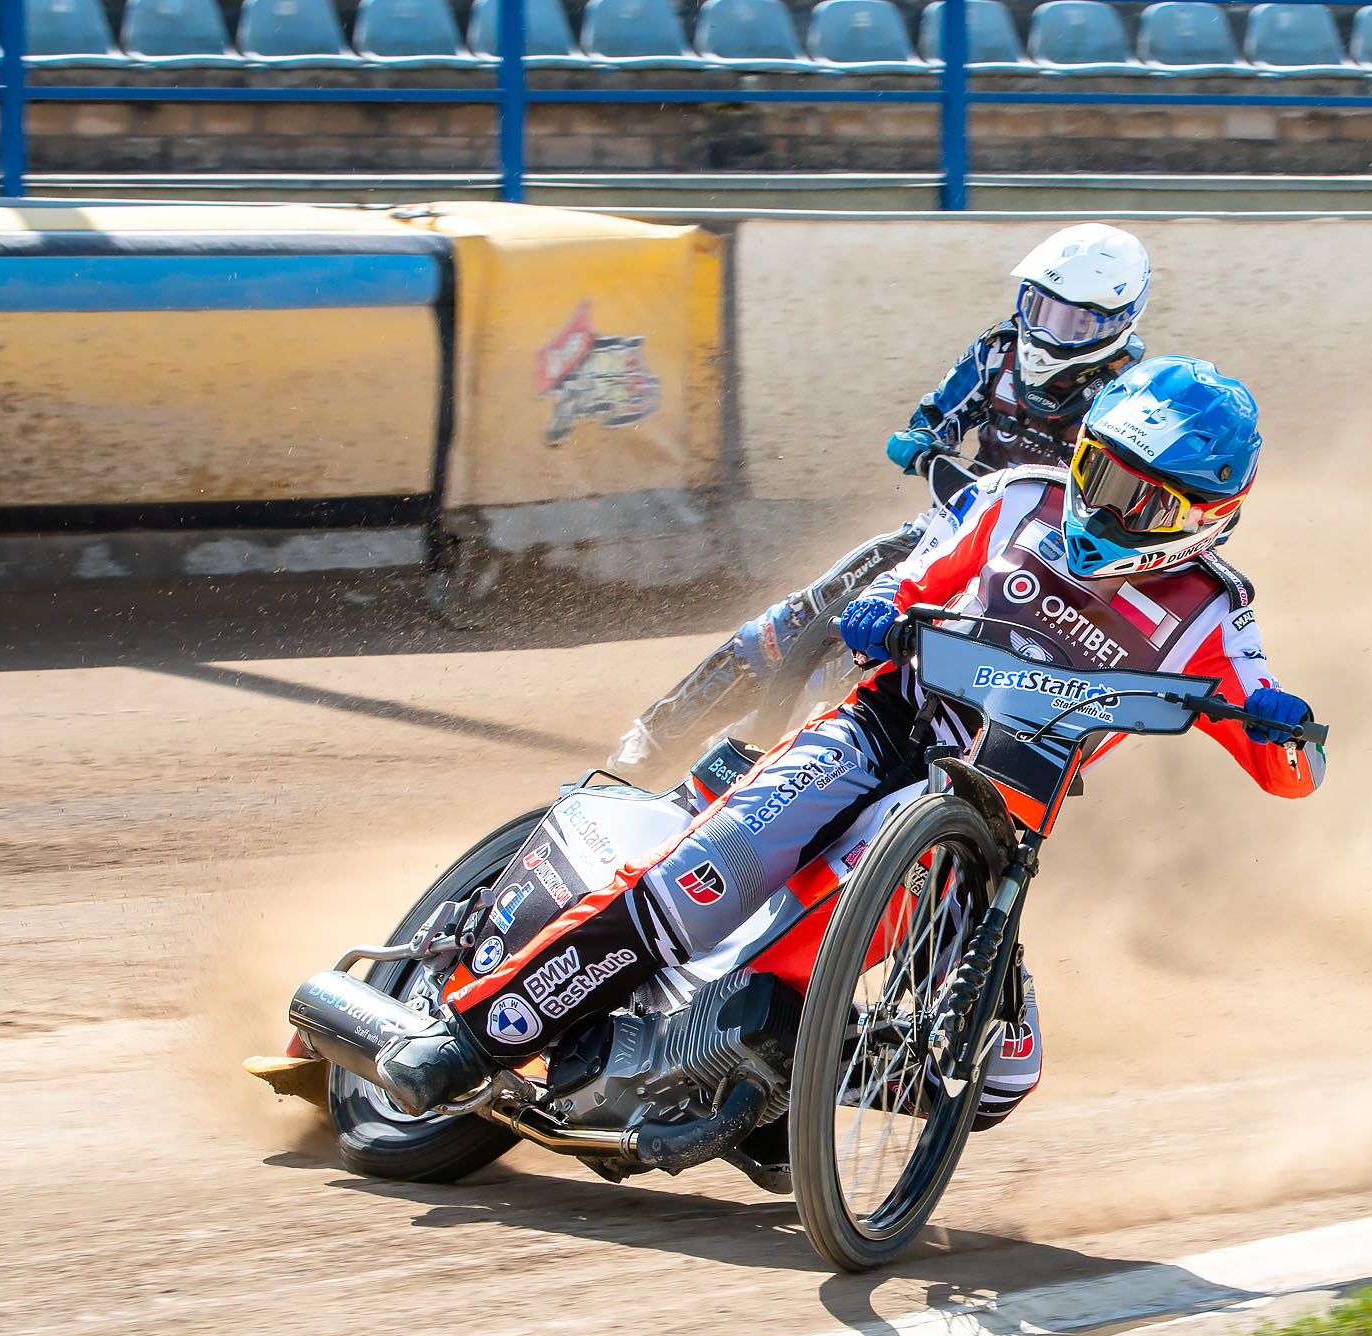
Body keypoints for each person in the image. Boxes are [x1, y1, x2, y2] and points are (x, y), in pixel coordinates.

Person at [417, 356, 1322, 1161]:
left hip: (992, 830)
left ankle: (761, 1076)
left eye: (1142, 497)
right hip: (882, 728)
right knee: (706, 877)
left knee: (1000, 1073)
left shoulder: (1214, 613)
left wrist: (1282, 726)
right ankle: (474, 1033)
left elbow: (1295, 776)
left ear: (1206, 520)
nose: (1105, 505)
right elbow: (913, 570)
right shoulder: (1016, 498)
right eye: (1099, 470)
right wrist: (882, 606)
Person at [610, 224, 1154, 774]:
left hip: (1043, 576)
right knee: (800, 616)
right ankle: (655, 737)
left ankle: (779, 762)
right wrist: (923, 444)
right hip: (949, 526)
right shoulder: (998, 352)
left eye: (1072, 319)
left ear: (1117, 322)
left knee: (882, 674)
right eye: (1038, 305)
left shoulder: (1133, 396)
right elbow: (934, 419)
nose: (1045, 328)